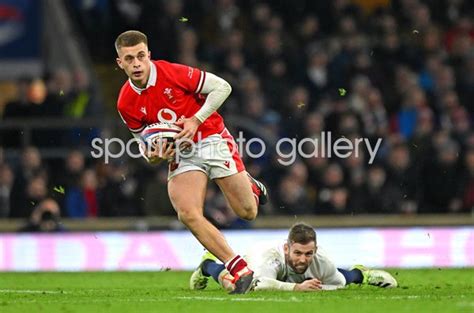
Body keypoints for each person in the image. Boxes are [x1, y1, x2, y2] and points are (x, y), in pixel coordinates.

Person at [114, 30, 268, 294]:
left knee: (247, 212)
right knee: (186, 212)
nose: (137, 63)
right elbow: (145, 146)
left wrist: (196, 119)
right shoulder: (125, 102)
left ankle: (250, 186)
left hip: (211, 137)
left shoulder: (172, 73)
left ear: (149, 55)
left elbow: (223, 87)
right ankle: (238, 267)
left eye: (141, 56)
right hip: (181, 153)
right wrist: (153, 155)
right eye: (129, 59)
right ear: (120, 63)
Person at [190, 222, 397, 292]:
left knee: (341, 277)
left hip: (291, 277)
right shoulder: (270, 256)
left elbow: (339, 285)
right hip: (253, 268)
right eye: (297, 252)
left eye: (308, 254)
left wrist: (317, 288)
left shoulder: (320, 260)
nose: (303, 259)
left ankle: (363, 274)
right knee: (237, 286)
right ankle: (207, 265)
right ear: (287, 248)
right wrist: (297, 288)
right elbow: (257, 284)